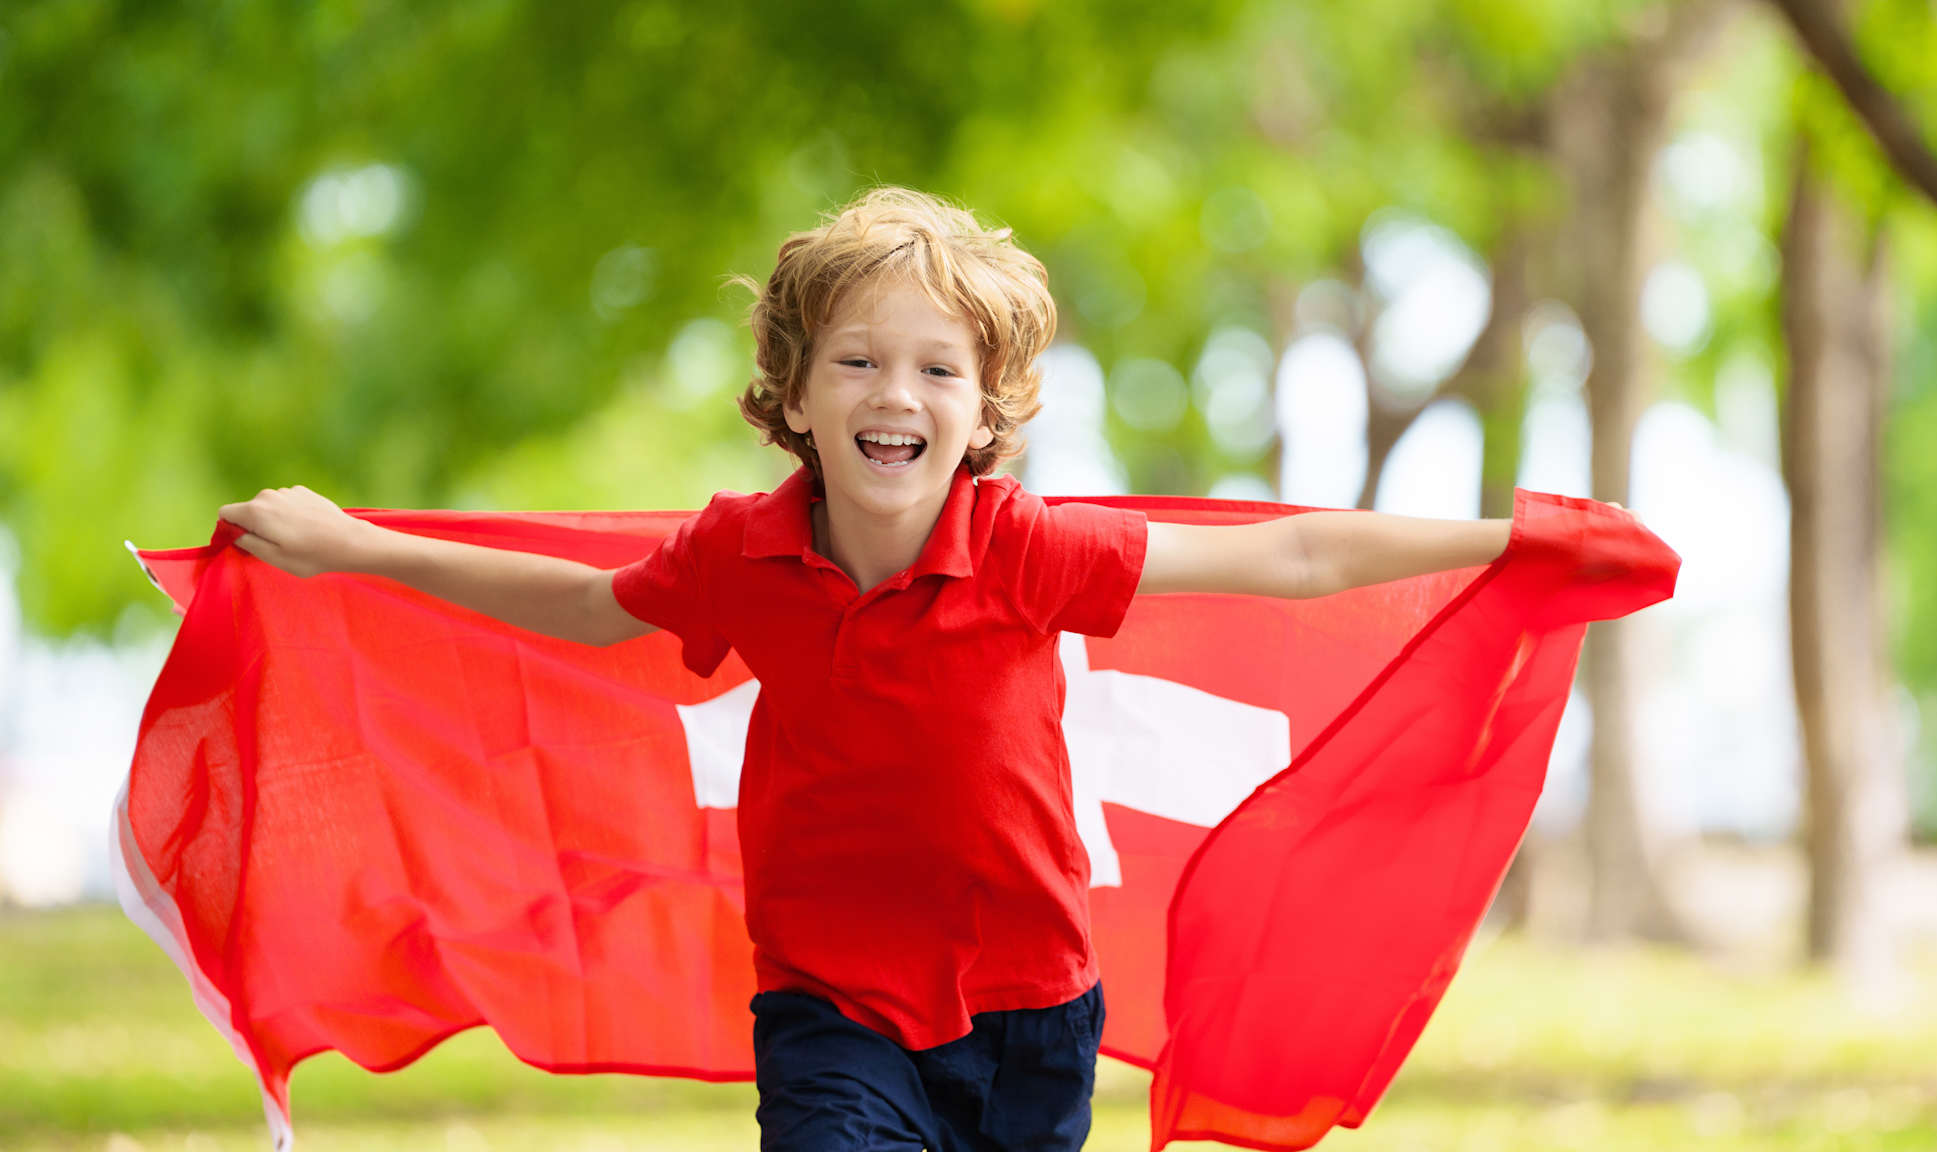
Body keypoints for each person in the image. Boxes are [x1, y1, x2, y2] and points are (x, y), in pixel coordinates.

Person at [219, 187, 1564, 1152]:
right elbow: (580, 605)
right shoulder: (742, 555)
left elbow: (1297, 557)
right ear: (797, 396)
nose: (895, 395)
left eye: (937, 370)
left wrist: (1515, 541)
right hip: (830, 1009)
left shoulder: (1026, 548)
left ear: (983, 414)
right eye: (857, 362)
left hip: (1034, 1018)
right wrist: (354, 547)